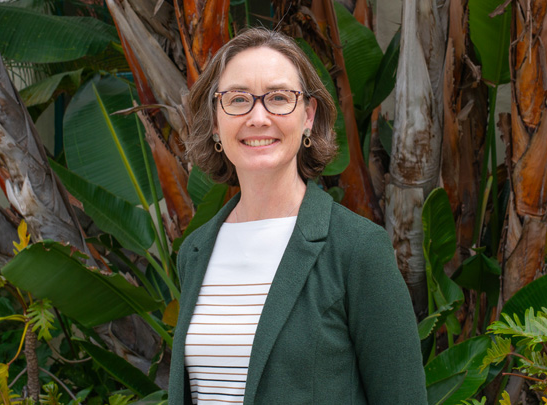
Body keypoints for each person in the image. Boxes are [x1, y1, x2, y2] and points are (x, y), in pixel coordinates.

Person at [168, 28, 426, 404]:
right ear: (215, 119)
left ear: (308, 115)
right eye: (238, 99)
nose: (258, 117)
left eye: (278, 98)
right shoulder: (195, 252)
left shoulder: (357, 248)